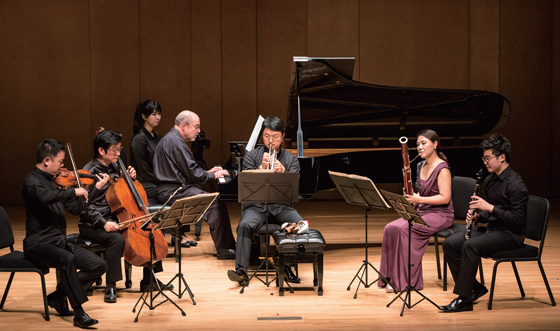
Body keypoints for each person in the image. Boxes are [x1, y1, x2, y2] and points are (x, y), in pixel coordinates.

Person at [79, 129, 173, 304]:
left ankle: (149, 280)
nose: (118, 154)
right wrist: (103, 222)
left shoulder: (115, 166)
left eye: (119, 149)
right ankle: (111, 285)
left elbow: (121, 193)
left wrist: (129, 179)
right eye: (115, 150)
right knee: (117, 240)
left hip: (117, 218)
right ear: (101, 151)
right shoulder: (88, 172)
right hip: (93, 224)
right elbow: (84, 208)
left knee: (149, 230)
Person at [22, 139, 106, 328]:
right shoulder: (32, 181)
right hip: (38, 244)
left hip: (58, 242)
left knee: (98, 265)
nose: (62, 166)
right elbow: (46, 198)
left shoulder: (56, 183)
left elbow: (75, 209)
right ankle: (79, 314)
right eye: (60, 162)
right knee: (67, 259)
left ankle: (58, 297)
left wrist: (91, 190)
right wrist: (72, 191)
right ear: (46, 161)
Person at [438, 135, 528, 312]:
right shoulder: (490, 180)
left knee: (470, 245)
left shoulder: (516, 184)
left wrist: (489, 208)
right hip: (494, 230)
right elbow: (491, 214)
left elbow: (517, 220)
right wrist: (480, 216)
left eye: (488, 158)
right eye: (483, 158)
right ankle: (475, 288)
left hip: (511, 235)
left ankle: (464, 299)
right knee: (450, 244)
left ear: (502, 157)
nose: (485, 162)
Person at [227, 117, 303, 285]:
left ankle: (287, 267)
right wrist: (261, 170)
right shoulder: (251, 157)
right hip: (256, 207)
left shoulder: (291, 160)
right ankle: (241, 271)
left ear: (282, 136)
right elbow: (245, 184)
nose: (270, 141)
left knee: (298, 223)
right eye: (267, 136)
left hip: (282, 207)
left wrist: (284, 174)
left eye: (275, 136)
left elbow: (293, 192)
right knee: (244, 225)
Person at [153, 110, 236, 260]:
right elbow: (194, 174)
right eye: (196, 127)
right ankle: (225, 248)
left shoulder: (172, 139)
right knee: (214, 201)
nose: (198, 131)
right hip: (173, 192)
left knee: (215, 200)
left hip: (173, 188)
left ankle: (228, 245)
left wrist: (207, 172)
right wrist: (213, 175)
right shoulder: (176, 142)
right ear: (184, 126)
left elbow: (187, 170)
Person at [378, 129, 454, 292]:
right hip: (424, 210)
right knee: (390, 228)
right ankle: (390, 276)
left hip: (441, 214)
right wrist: (413, 197)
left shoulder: (443, 169)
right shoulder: (420, 165)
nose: (419, 147)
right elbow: (423, 192)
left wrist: (418, 199)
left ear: (435, 144)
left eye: (423, 143)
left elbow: (444, 198)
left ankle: (406, 281)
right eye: (418, 144)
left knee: (406, 230)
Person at [130, 100, 197, 248]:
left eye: (159, 113)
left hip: (157, 180)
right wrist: (162, 181)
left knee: (180, 188)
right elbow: (143, 170)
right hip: (144, 183)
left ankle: (180, 234)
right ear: (144, 116)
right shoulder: (138, 139)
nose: (158, 117)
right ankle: (177, 234)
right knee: (174, 192)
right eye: (154, 114)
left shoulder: (158, 136)